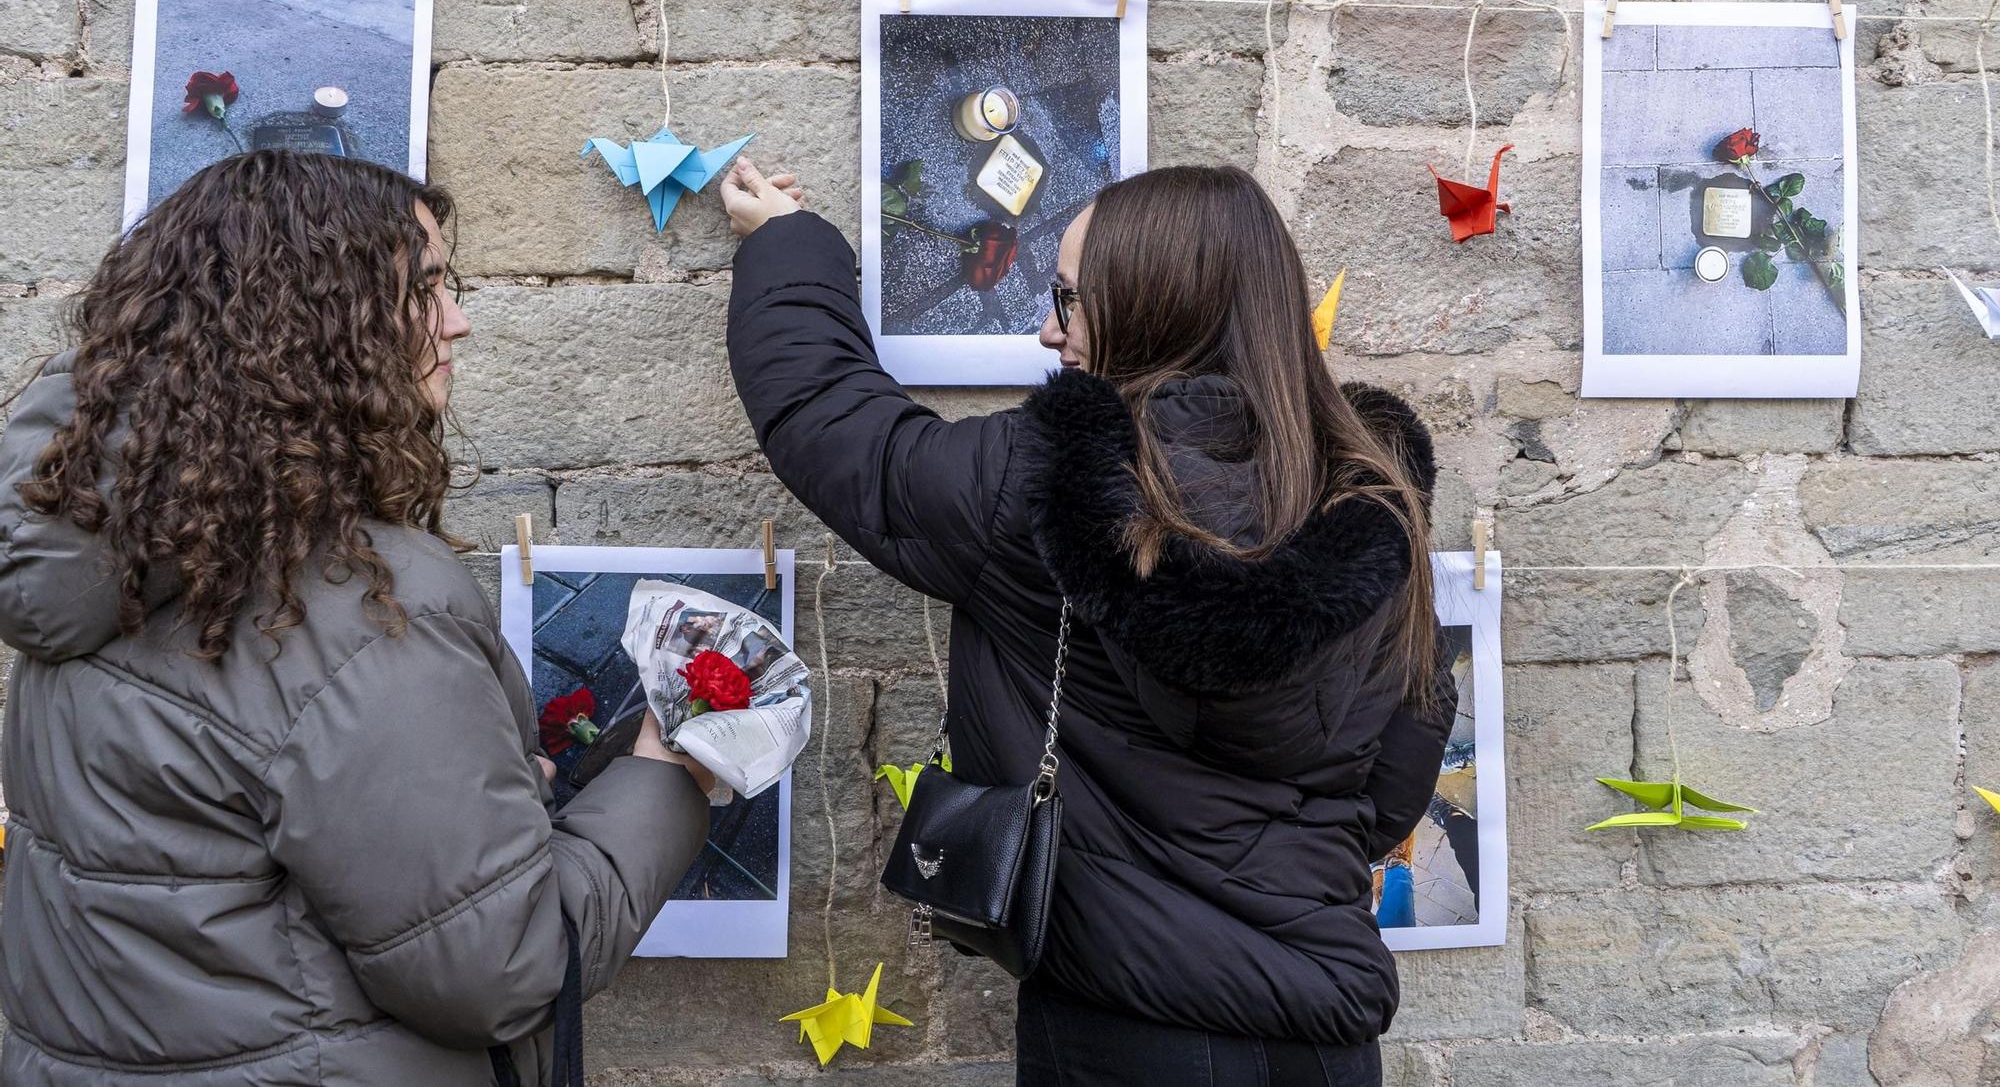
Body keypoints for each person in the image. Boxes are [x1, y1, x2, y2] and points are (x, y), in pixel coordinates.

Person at [719, 158, 1456, 1087]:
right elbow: (1396, 780)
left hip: (1119, 1039)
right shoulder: (1368, 498)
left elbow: (838, 426)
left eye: (1068, 301)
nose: (1046, 330)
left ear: (1150, 308)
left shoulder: (1037, 482)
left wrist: (787, 243)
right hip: (1322, 1043)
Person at [0, 151, 714, 1087]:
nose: (457, 320)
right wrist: (669, 776)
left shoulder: (113, 556)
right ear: (320, 327)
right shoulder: (361, 608)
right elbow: (499, 968)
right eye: (426, 290)